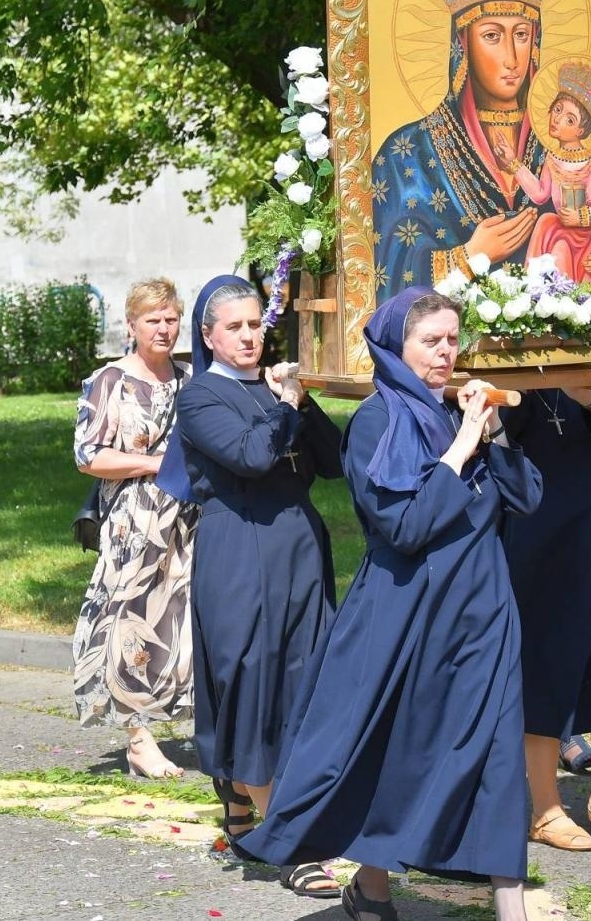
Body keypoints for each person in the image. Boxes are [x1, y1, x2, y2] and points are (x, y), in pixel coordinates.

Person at [238, 287, 543, 921]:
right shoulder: (377, 422)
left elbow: (527, 499)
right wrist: (461, 447)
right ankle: (372, 888)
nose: (446, 352)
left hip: (482, 608)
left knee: (495, 752)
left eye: (453, 339)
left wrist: (494, 434)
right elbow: (405, 527)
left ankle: (511, 908)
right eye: (431, 340)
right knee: (394, 746)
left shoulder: (464, 412)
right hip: (408, 611)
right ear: (396, 348)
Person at [159, 274, 343, 899]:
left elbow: (336, 462)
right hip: (240, 546)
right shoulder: (199, 396)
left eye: (254, 325)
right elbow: (252, 457)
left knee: (304, 678)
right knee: (253, 678)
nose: (247, 337)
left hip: (298, 545)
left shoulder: (276, 388)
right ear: (208, 336)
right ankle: (284, 838)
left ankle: (250, 795)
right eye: (233, 327)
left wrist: (303, 402)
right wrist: (286, 406)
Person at [371, 0, 591, 302]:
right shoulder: (407, 153)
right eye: (492, 35)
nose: (512, 57)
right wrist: (467, 257)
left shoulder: (558, 147)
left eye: (521, 35)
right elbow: (384, 262)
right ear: (463, 43)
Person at [501, 387, 591, 852]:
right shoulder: (515, 376)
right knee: (544, 673)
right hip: (533, 545)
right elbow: (498, 439)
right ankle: (545, 809)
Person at [73, 278, 198, 779]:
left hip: (189, 518)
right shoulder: (110, 381)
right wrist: (153, 463)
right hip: (134, 520)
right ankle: (137, 738)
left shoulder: (191, 378)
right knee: (128, 619)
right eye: (152, 320)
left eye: (171, 318)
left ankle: (189, 718)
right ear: (132, 325)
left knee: (181, 618)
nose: (163, 328)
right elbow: (88, 456)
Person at [496, 58, 591, 293]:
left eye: (569, 119)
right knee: (549, 226)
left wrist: (578, 217)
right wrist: (513, 162)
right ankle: (544, 299)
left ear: (581, 130)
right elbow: (540, 194)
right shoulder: (552, 157)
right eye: (557, 109)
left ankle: (566, 303)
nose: (557, 119)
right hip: (558, 229)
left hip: (584, 235)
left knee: (562, 246)